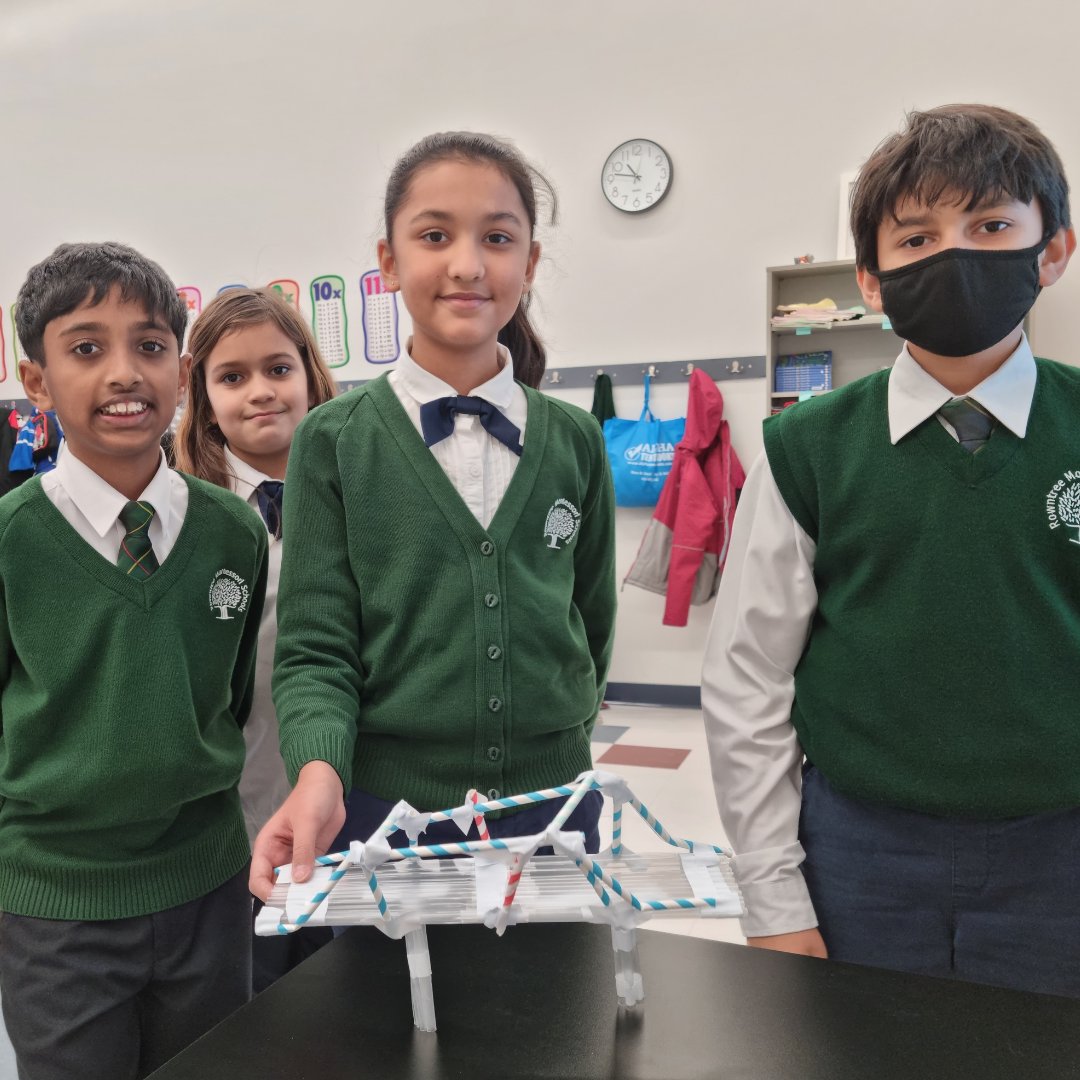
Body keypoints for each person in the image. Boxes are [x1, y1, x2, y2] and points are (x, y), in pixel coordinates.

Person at [702, 103, 1080, 997]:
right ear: (871, 281)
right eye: (916, 238)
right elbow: (747, 680)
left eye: (990, 225)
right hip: (858, 855)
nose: (953, 254)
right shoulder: (807, 450)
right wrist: (774, 902)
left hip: (1059, 852)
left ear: (1053, 251)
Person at [250, 131, 617, 904]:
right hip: (384, 810)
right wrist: (319, 770)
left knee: (552, 1015)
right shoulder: (334, 440)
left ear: (531, 262)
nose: (467, 264)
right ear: (387, 262)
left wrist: (562, 738)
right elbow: (316, 644)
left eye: (498, 237)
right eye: (434, 235)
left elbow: (590, 617)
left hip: (552, 807)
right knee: (393, 1020)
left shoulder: (577, 440)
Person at [0, 241, 269, 1078]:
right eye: (86, 348)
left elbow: (229, 698)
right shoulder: (11, 542)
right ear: (36, 380)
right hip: (56, 910)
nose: (125, 372)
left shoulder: (236, 532)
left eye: (150, 347)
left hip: (209, 891)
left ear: (182, 371)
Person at [175, 287, 336, 990]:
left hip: (347, 791)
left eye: (278, 369)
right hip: (236, 810)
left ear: (309, 375)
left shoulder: (357, 497)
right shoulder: (184, 520)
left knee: (358, 992)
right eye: (232, 377)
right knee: (260, 998)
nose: (261, 392)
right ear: (204, 399)